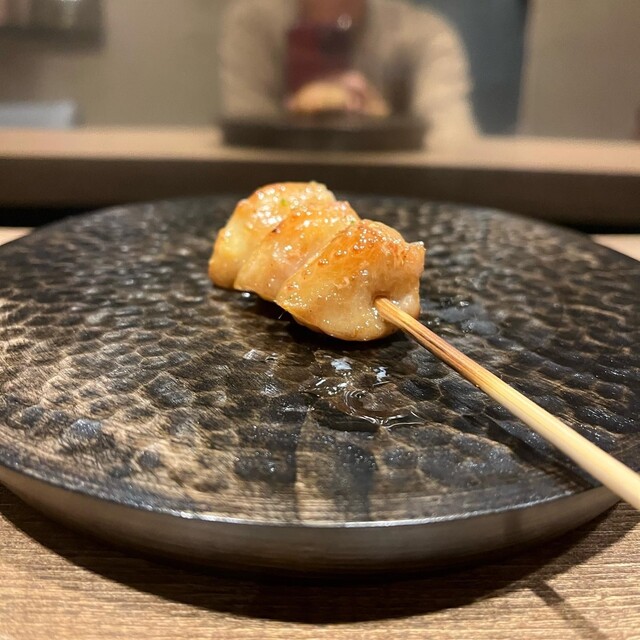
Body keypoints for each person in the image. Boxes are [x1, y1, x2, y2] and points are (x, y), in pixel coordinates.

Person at [219, 0, 478, 147]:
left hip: (395, 192)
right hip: (278, 192)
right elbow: (244, 135)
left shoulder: (426, 35)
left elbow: (453, 142)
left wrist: (384, 126)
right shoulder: (254, 23)